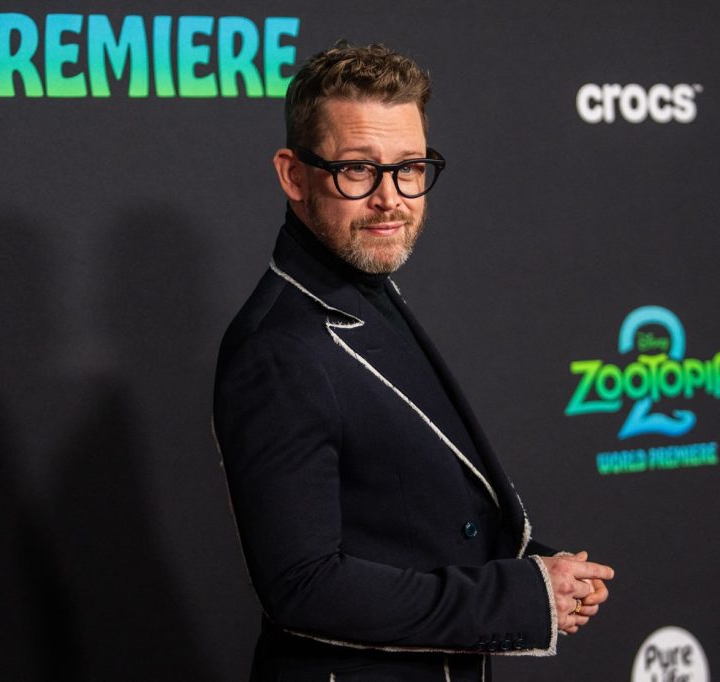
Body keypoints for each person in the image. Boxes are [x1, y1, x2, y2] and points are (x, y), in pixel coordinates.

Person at [213, 41, 614, 681]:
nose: (391, 198)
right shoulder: (278, 349)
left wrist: (539, 572)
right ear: (293, 175)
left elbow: (405, 517)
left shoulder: (364, 289)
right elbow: (303, 585)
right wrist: (517, 597)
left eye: (409, 167)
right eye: (357, 169)